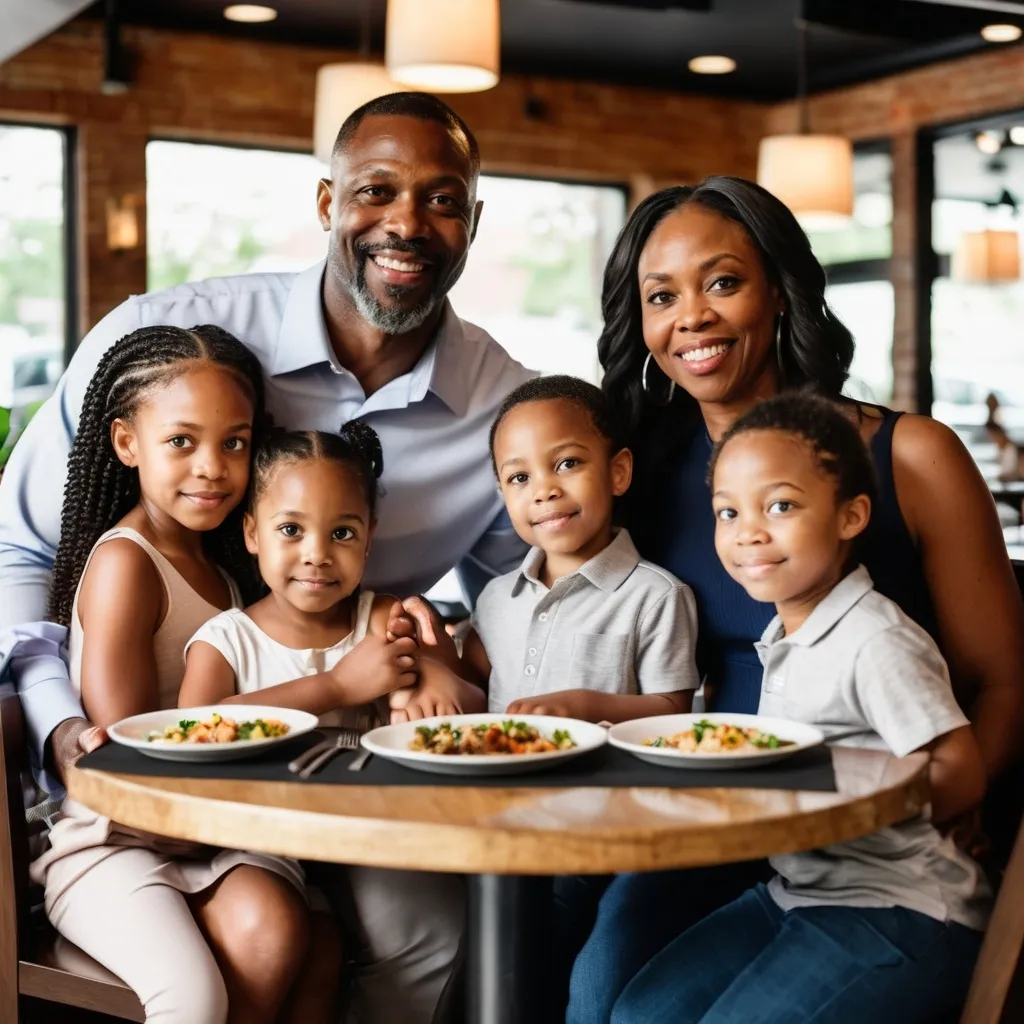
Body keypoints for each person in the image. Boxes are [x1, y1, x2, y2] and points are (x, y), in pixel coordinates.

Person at [0, 92, 533, 1021]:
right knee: (260, 943)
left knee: (424, 931)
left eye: (443, 200)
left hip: (355, 769)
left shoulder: (501, 406)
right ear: (328, 204)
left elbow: (516, 599)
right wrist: (54, 728)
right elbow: (21, 549)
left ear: (474, 222)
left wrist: (437, 650)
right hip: (168, 797)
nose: (407, 222)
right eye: (376, 191)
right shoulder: (177, 346)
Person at [567, 175, 1024, 1017]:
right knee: (601, 995)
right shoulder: (643, 472)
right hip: (710, 822)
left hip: (878, 840)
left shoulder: (910, 457)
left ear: (777, 291)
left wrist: (956, 803)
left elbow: (1001, 681)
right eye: (662, 296)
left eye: (723, 282)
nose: (692, 317)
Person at [608, 391, 991, 1024]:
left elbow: (962, 769)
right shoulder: (783, 640)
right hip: (799, 892)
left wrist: (848, 809)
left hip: (903, 908)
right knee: (638, 1014)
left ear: (851, 516)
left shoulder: (875, 640)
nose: (748, 532)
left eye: (780, 505)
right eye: (727, 512)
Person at [30, 325, 343, 1024]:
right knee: (193, 996)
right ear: (126, 444)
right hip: (113, 842)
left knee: (296, 934)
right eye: (182, 442)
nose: (213, 467)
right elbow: (126, 767)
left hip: (212, 832)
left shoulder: (232, 577)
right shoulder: (126, 564)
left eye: (234, 442)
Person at [179, 425, 484, 728]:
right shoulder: (224, 643)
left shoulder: (382, 623)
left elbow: (475, 704)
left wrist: (436, 680)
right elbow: (192, 726)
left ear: (367, 540)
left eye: (342, 533)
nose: (317, 555)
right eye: (291, 529)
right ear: (253, 533)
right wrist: (336, 686)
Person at [433, 374, 699, 722]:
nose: (544, 491)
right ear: (502, 493)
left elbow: (673, 709)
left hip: (603, 775)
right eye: (520, 478)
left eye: (567, 464)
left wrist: (588, 706)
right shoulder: (495, 597)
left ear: (618, 472)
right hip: (501, 772)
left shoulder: (656, 597)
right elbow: (470, 686)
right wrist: (431, 666)